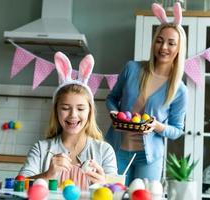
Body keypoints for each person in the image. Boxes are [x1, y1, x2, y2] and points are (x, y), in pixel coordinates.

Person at [105, 2, 188, 185]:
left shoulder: (180, 90)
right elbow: (112, 98)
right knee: (112, 195)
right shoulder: (132, 68)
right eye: (159, 40)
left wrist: (157, 126)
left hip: (149, 158)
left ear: (179, 48)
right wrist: (113, 114)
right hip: (116, 150)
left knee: (143, 197)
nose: (163, 47)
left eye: (171, 43)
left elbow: (177, 130)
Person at [19, 51, 117, 189]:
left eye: (81, 109)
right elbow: (19, 185)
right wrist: (47, 175)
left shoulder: (104, 151)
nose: (73, 115)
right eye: (65, 108)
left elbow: (116, 192)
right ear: (56, 111)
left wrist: (105, 185)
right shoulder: (41, 149)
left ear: (90, 112)